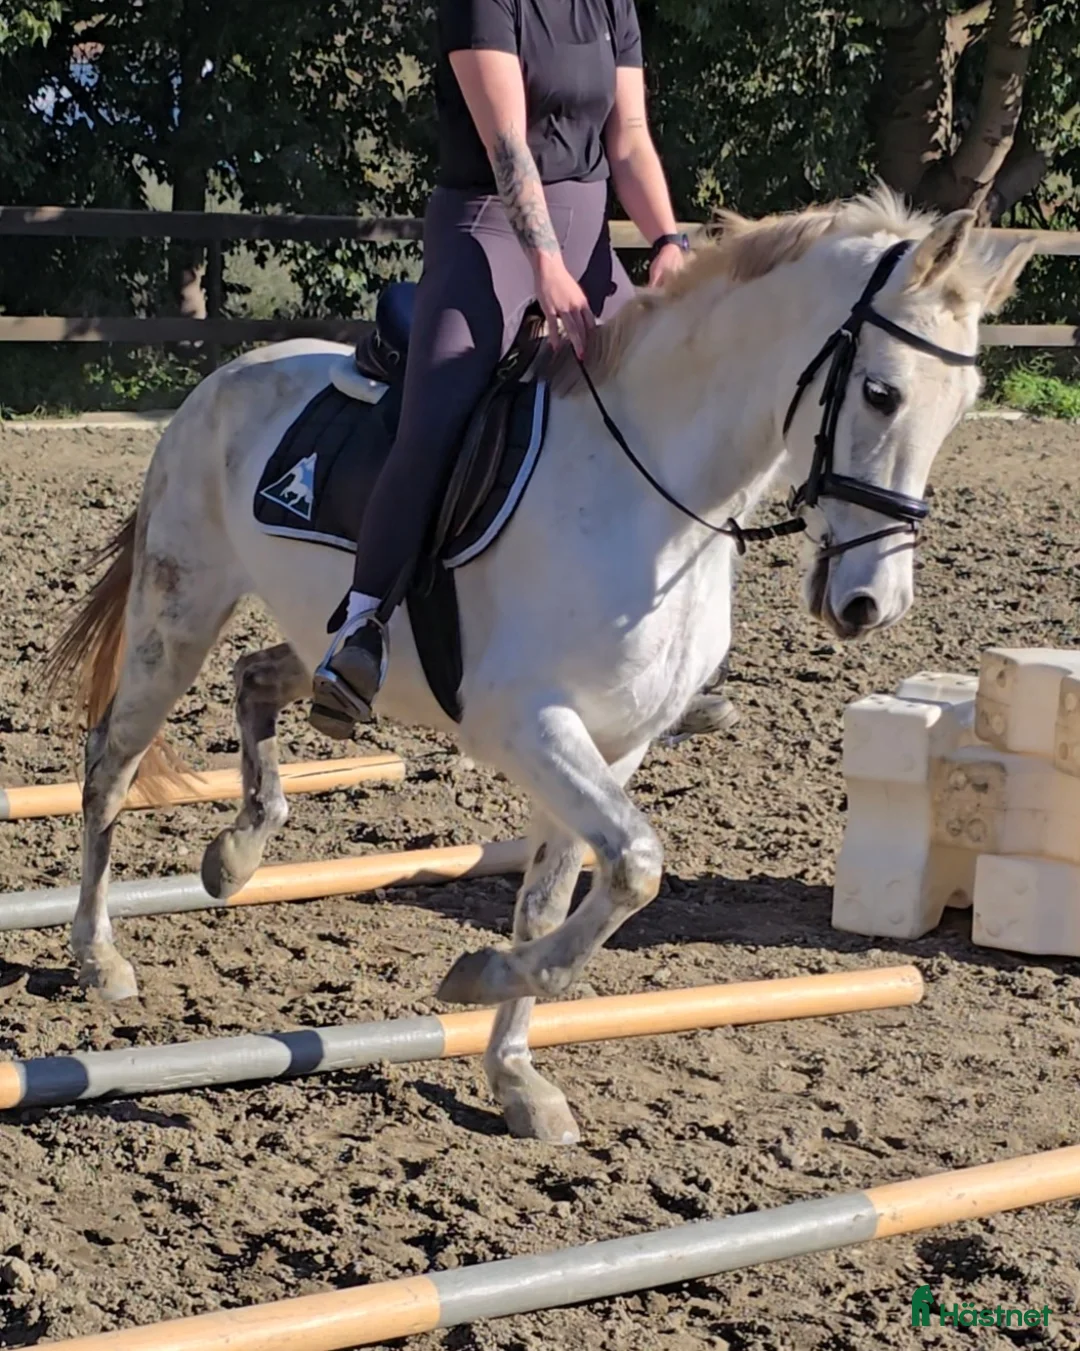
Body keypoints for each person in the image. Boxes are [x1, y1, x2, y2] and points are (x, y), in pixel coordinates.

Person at [310, 0, 737, 741]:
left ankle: (674, 649)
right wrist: (543, 262)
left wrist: (667, 237)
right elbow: (507, 143)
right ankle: (363, 625)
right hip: (488, 233)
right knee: (438, 412)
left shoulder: (612, 7)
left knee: (669, 398)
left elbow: (628, 136)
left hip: (593, 233)